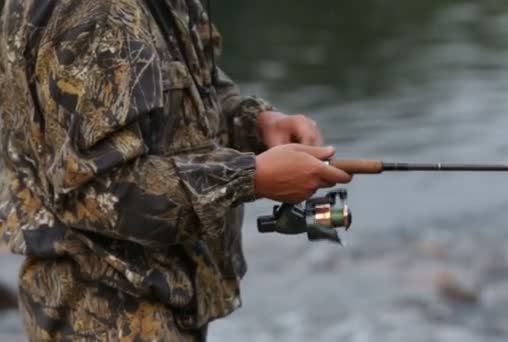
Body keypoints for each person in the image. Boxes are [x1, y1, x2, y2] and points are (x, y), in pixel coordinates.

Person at [0, 0, 352, 340]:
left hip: (163, 305)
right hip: (103, 315)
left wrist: (255, 122)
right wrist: (248, 177)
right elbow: (99, 193)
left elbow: (188, 90)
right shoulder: (90, 10)